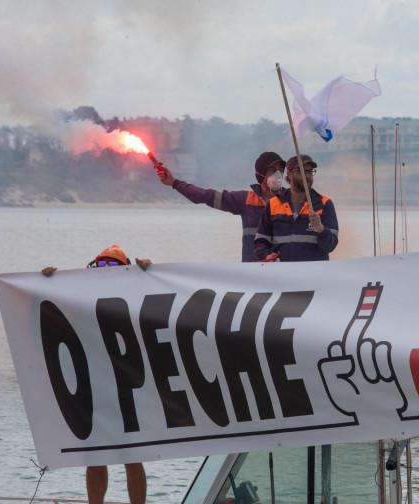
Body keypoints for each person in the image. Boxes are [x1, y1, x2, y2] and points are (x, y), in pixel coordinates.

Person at [42, 244, 150, 504]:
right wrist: (46, 280)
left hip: (126, 383)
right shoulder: (81, 291)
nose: (106, 270)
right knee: (95, 455)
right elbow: (48, 306)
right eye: (101, 264)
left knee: (132, 456)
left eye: (113, 264)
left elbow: (157, 297)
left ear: (124, 268)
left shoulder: (133, 289)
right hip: (93, 382)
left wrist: (147, 269)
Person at [156, 151, 287, 262]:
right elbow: (205, 195)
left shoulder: (290, 202)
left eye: (281, 170)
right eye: (272, 170)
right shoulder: (245, 201)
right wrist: (175, 183)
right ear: (261, 174)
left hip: (284, 273)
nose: (278, 175)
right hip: (252, 273)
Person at [253, 154, 338, 262]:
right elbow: (261, 241)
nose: (307, 176)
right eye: (301, 171)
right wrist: (266, 256)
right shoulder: (273, 205)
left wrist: (321, 230)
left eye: (310, 171)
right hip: (281, 275)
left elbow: (330, 246)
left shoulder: (324, 204)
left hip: (314, 276)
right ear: (289, 174)